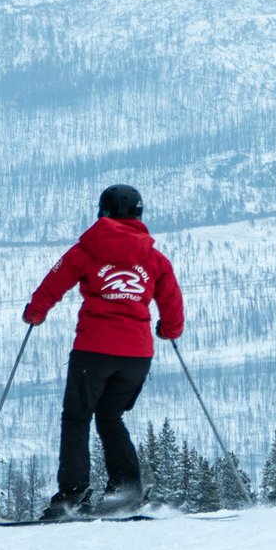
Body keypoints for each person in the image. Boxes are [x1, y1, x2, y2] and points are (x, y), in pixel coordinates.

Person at [24, 184, 184, 520]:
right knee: (111, 417)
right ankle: (125, 491)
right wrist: (169, 330)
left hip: (93, 351)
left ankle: (72, 496)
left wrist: (35, 313)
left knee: (77, 417)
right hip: (137, 356)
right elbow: (172, 302)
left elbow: (54, 283)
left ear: (103, 212)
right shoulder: (155, 259)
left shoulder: (86, 250)